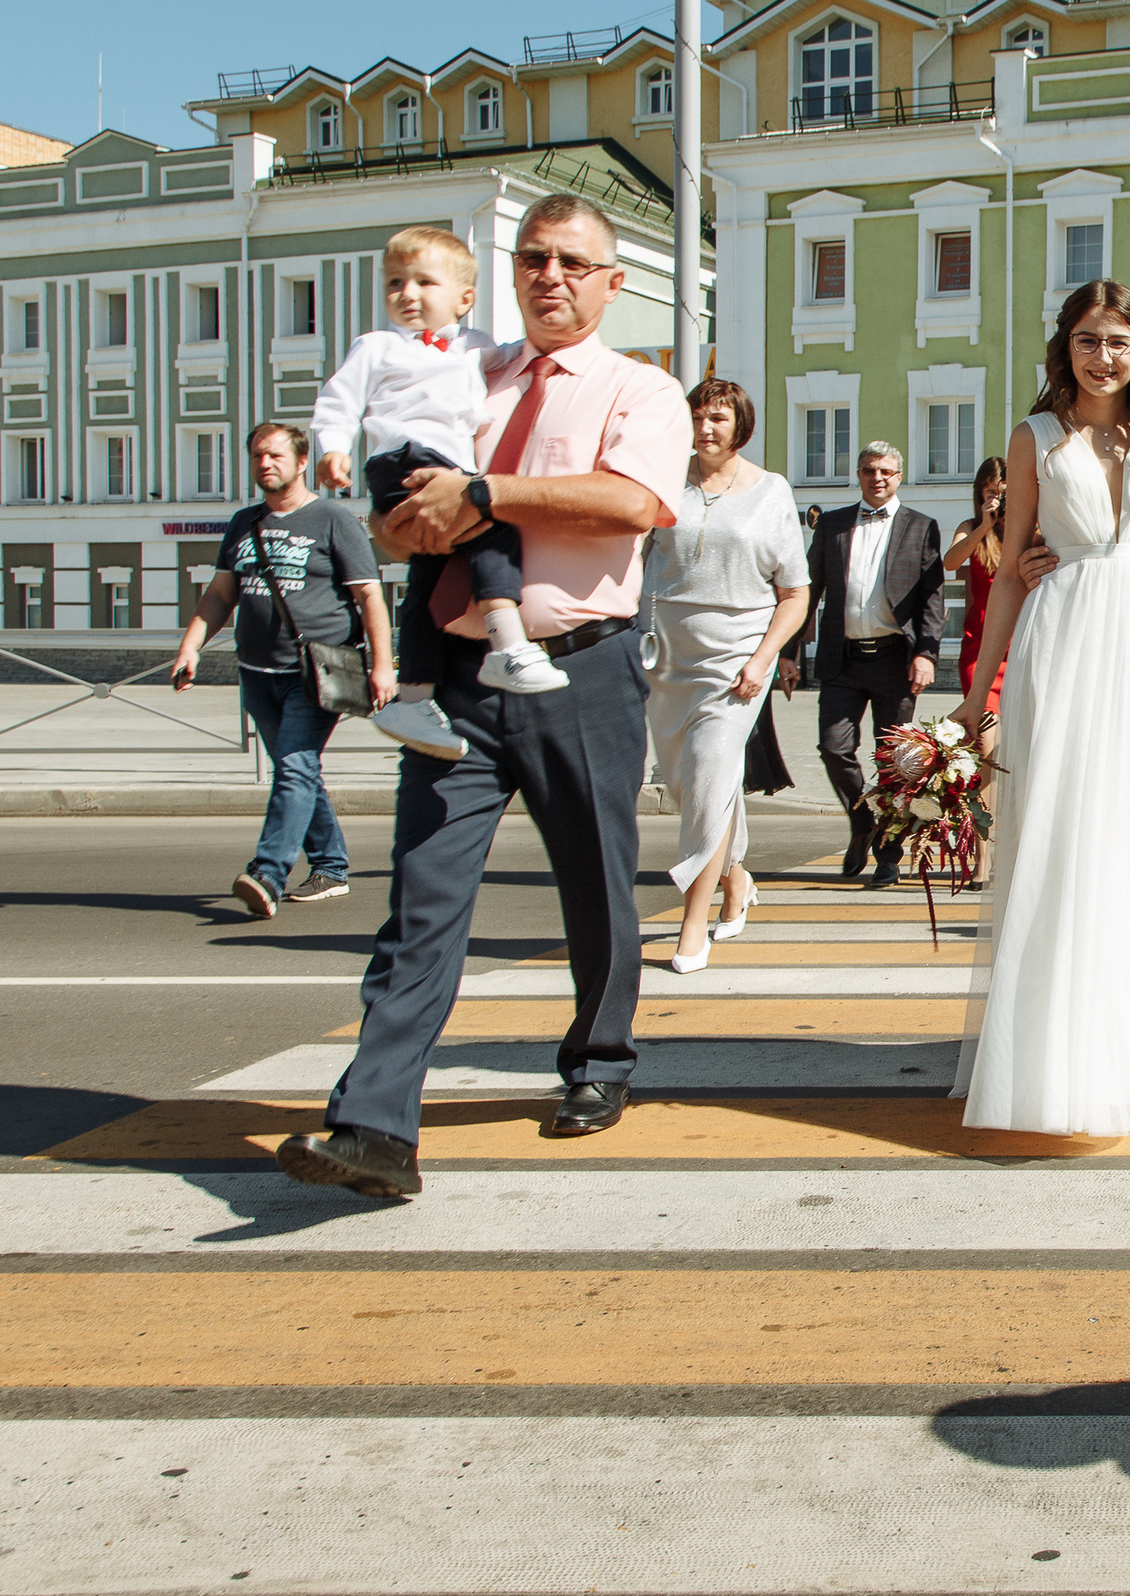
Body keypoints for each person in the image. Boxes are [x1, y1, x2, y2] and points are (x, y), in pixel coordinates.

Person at [274, 192, 690, 1199]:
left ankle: (599, 1061)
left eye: (574, 264)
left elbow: (636, 503)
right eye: (536, 260)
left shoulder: (641, 389)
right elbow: (396, 518)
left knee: (594, 882)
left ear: (611, 283)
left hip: (580, 667)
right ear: (511, 273)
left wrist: (488, 496)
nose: (552, 278)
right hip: (457, 674)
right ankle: (375, 1126)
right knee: (421, 898)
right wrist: (399, 522)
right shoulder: (466, 374)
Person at [946, 281, 1130, 1137]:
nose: (1101, 355)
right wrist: (977, 694)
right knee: (1067, 830)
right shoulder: (1036, 435)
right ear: (1064, 346)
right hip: (1066, 639)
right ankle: (1055, 1053)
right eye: (1086, 338)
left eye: (1117, 340)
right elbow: (1009, 571)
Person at [309, 226, 556, 767]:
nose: (408, 293)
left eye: (424, 281)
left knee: (429, 576)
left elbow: (522, 355)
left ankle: (413, 698)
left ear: (464, 298)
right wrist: (332, 449)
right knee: (494, 524)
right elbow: (337, 400)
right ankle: (508, 644)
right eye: (396, 282)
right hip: (405, 460)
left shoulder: (477, 346)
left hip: (449, 466)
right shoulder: (377, 347)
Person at [174, 422, 394, 919]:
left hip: (317, 671)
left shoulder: (332, 519)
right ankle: (332, 868)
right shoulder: (243, 522)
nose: (264, 464)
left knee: (294, 767)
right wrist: (191, 647)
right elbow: (219, 594)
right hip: (256, 672)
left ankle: (269, 873)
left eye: (274, 455)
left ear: (300, 463)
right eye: (256, 456)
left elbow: (369, 596)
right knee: (298, 770)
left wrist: (384, 665)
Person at [643, 378, 810, 973]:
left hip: (737, 658)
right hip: (666, 657)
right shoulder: (663, 479)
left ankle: (694, 918)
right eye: (697, 416)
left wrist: (763, 659)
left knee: (712, 767)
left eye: (718, 417)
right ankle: (736, 877)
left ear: (741, 425)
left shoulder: (771, 491)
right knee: (689, 784)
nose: (706, 427)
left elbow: (794, 591)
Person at [791, 442, 943, 889]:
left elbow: (933, 599)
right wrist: (789, 655)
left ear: (900, 476)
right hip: (843, 659)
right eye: (869, 470)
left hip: (897, 660)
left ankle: (889, 857)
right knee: (833, 748)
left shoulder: (921, 526)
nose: (877, 478)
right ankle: (863, 820)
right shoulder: (834, 525)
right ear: (858, 474)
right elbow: (808, 591)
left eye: (887, 471)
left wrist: (926, 654)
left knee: (896, 762)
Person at [944, 456, 1008, 891]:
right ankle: (983, 856)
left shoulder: (1030, 528)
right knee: (985, 748)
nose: (996, 497)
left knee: (1009, 754)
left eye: (1003, 491)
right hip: (980, 653)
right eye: (989, 490)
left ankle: (1008, 849)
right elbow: (950, 562)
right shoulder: (972, 528)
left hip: (1022, 648)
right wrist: (985, 525)